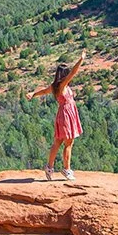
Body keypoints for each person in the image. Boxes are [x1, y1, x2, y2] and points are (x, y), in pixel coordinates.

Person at [29, 51, 85, 181]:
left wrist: (33, 94)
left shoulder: (54, 86)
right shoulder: (62, 85)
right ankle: (66, 170)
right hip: (66, 114)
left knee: (58, 141)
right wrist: (81, 60)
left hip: (62, 114)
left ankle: (49, 167)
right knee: (68, 143)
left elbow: (43, 91)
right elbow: (73, 72)